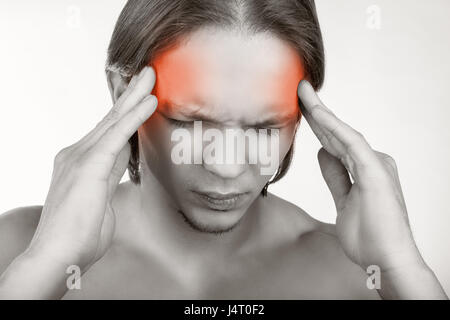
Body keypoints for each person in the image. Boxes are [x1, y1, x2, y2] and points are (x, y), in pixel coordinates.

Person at [0, 0, 447, 299]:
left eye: (267, 125)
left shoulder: (364, 277)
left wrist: (405, 273)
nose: (228, 166)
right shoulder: (13, 253)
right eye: (191, 121)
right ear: (123, 96)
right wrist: (44, 268)